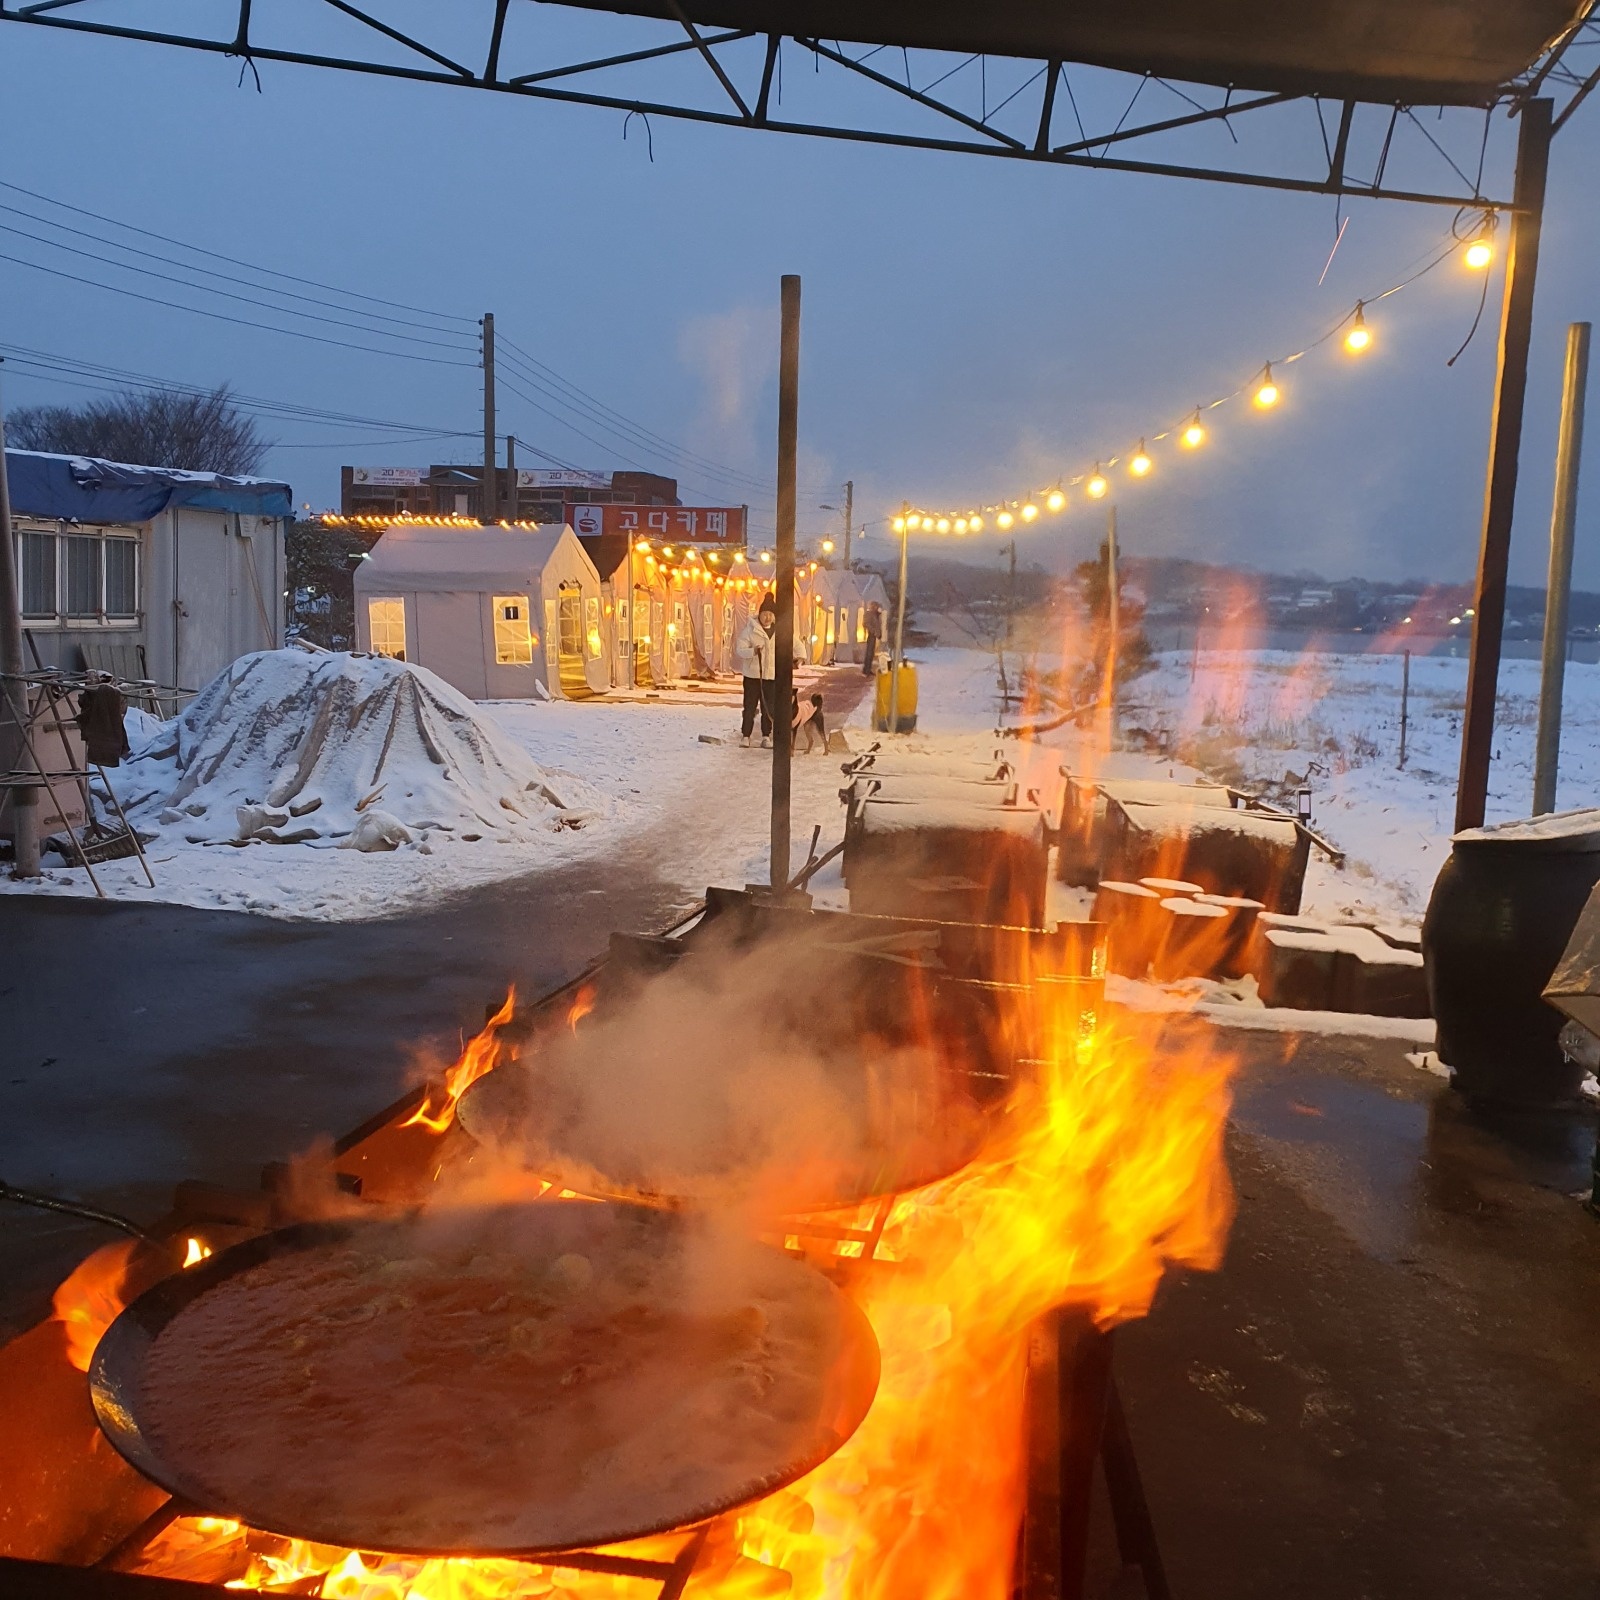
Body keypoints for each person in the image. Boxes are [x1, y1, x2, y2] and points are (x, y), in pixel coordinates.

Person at [737, 597, 777, 747]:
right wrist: (753, 651)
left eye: (770, 614)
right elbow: (740, 650)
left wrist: (800, 657)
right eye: (765, 614)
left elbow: (794, 643)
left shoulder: (778, 631)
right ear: (759, 614)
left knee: (768, 707)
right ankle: (746, 735)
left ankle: (766, 736)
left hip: (770, 676)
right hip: (752, 676)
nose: (767, 617)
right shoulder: (750, 630)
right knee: (750, 706)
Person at [861, 602, 883, 677]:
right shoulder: (869, 614)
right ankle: (866, 669)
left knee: (871, 653)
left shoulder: (876, 615)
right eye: (875, 606)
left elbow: (878, 625)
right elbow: (865, 623)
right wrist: (873, 631)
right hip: (871, 635)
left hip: (875, 635)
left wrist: (879, 633)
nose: (876, 608)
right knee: (869, 653)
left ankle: (868, 669)